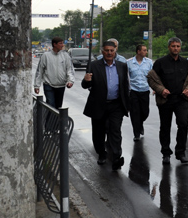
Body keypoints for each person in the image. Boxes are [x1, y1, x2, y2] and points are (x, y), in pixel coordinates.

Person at [82, 40, 130, 170]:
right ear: (102, 51)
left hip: (116, 105)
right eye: (107, 50)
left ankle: (116, 157)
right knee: (99, 132)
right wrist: (86, 80)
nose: (109, 53)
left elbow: (125, 86)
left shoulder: (122, 66)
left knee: (115, 131)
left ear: (115, 51)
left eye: (111, 50)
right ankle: (102, 153)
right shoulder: (94, 65)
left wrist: (127, 104)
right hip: (99, 104)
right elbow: (86, 85)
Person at [148, 37, 188, 165]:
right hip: (165, 100)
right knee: (165, 127)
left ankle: (181, 152)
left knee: (183, 124)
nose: (176, 48)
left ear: (180, 47)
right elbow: (151, 78)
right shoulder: (160, 63)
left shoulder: (185, 63)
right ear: (169, 47)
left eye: (178, 46)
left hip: (181, 100)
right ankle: (166, 153)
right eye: (173, 46)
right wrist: (161, 90)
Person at [33, 36, 75, 109]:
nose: (62, 45)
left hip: (61, 85)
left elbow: (70, 70)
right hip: (48, 85)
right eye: (60, 43)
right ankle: (49, 117)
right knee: (50, 105)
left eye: (63, 43)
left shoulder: (65, 56)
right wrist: (37, 85)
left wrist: (70, 81)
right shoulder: (46, 56)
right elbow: (39, 71)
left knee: (58, 106)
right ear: (54, 44)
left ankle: (55, 117)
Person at [127, 44, 153, 141]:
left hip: (145, 90)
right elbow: (126, 77)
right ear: (138, 51)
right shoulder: (129, 63)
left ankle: (140, 123)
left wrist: (155, 88)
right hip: (133, 91)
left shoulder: (149, 62)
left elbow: (153, 76)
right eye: (144, 50)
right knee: (134, 113)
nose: (146, 52)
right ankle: (136, 133)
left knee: (145, 112)